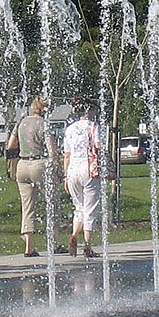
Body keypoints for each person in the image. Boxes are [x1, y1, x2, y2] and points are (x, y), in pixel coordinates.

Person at [9, 96, 52, 256]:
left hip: (22, 166)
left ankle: (29, 246)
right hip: (38, 164)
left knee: (27, 207)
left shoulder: (21, 122)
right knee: (52, 203)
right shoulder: (44, 124)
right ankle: (54, 242)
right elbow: (51, 148)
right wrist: (59, 169)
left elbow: (10, 145)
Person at [61, 99, 101, 258]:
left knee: (79, 207)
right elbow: (98, 147)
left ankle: (74, 234)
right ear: (89, 111)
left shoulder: (69, 129)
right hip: (88, 168)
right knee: (90, 208)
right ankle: (87, 246)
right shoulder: (93, 126)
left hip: (72, 171)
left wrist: (65, 176)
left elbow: (66, 155)